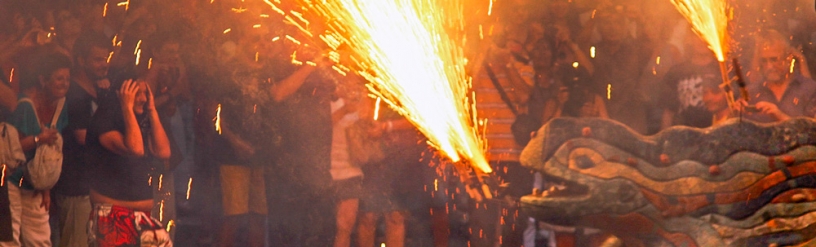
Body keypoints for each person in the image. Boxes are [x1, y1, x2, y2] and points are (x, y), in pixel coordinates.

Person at [264, 38, 337, 247]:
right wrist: (311, 65)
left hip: (318, 165)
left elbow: (335, 93)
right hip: (285, 167)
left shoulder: (323, 70)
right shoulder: (278, 63)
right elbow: (278, 93)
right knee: (287, 231)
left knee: (319, 231)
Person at [86, 78, 172, 246]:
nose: (143, 99)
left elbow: (164, 152)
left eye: (145, 93)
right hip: (112, 215)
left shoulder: (143, 115)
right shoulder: (105, 117)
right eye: (136, 93)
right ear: (122, 93)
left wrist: (153, 110)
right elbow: (136, 149)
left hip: (144, 216)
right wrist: (126, 106)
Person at [2, 52, 71, 247]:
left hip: (35, 184)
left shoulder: (61, 106)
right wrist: (38, 139)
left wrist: (46, 189)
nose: (64, 83)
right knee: (10, 239)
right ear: (43, 79)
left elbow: (48, 153)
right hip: (12, 181)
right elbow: (12, 150)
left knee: (40, 240)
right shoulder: (24, 106)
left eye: (67, 79)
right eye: (59, 78)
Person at [51, 31, 112, 247]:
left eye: (106, 58)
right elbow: (83, 137)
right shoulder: (74, 94)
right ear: (81, 60)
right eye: (97, 59)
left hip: (94, 189)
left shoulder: (99, 89)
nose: (104, 64)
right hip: (76, 188)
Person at [741, 29, 816, 123]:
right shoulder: (751, 93)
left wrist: (780, 116)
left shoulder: (809, 90)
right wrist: (736, 114)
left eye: (774, 59)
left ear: (788, 58)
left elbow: (812, 133)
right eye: (764, 60)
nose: (769, 66)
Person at [659, 31, 721, 129]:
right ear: (690, 39)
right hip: (685, 136)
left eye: (706, 37)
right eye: (698, 36)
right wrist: (664, 141)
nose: (702, 41)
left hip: (716, 135)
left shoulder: (723, 70)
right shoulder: (677, 72)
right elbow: (668, 112)